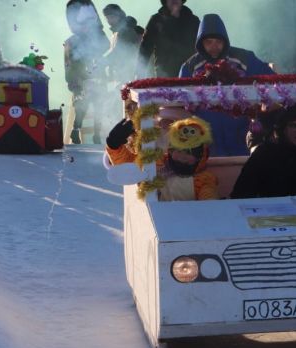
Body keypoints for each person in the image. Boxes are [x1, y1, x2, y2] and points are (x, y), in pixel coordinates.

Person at [179, 13, 274, 156]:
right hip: (207, 136)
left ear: (225, 40)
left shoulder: (244, 58)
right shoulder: (190, 66)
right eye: (208, 42)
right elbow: (180, 99)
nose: (214, 47)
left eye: (218, 41)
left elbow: (270, 77)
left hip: (241, 130)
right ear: (201, 43)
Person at [105, 116, 218, 201]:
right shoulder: (156, 163)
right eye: (178, 150)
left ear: (201, 156)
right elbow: (129, 166)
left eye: (190, 152)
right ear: (170, 150)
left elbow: (209, 205)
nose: (182, 157)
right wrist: (114, 146)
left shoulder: (203, 180)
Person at [64, 0, 110, 144]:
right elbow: (68, 64)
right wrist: (72, 80)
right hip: (80, 79)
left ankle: (97, 135)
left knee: (99, 104)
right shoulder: (71, 41)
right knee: (82, 105)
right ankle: (75, 131)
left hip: (98, 76)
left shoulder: (99, 37)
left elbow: (107, 48)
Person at [140, 0, 199, 78]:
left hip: (189, 73)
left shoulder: (193, 20)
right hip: (164, 75)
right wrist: (139, 72)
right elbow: (145, 48)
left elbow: (201, 46)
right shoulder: (156, 20)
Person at [102, 4, 141, 87]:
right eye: (107, 17)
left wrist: (101, 61)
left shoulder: (125, 30)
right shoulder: (116, 32)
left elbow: (117, 52)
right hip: (124, 75)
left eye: (112, 17)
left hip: (132, 73)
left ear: (119, 16)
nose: (109, 20)